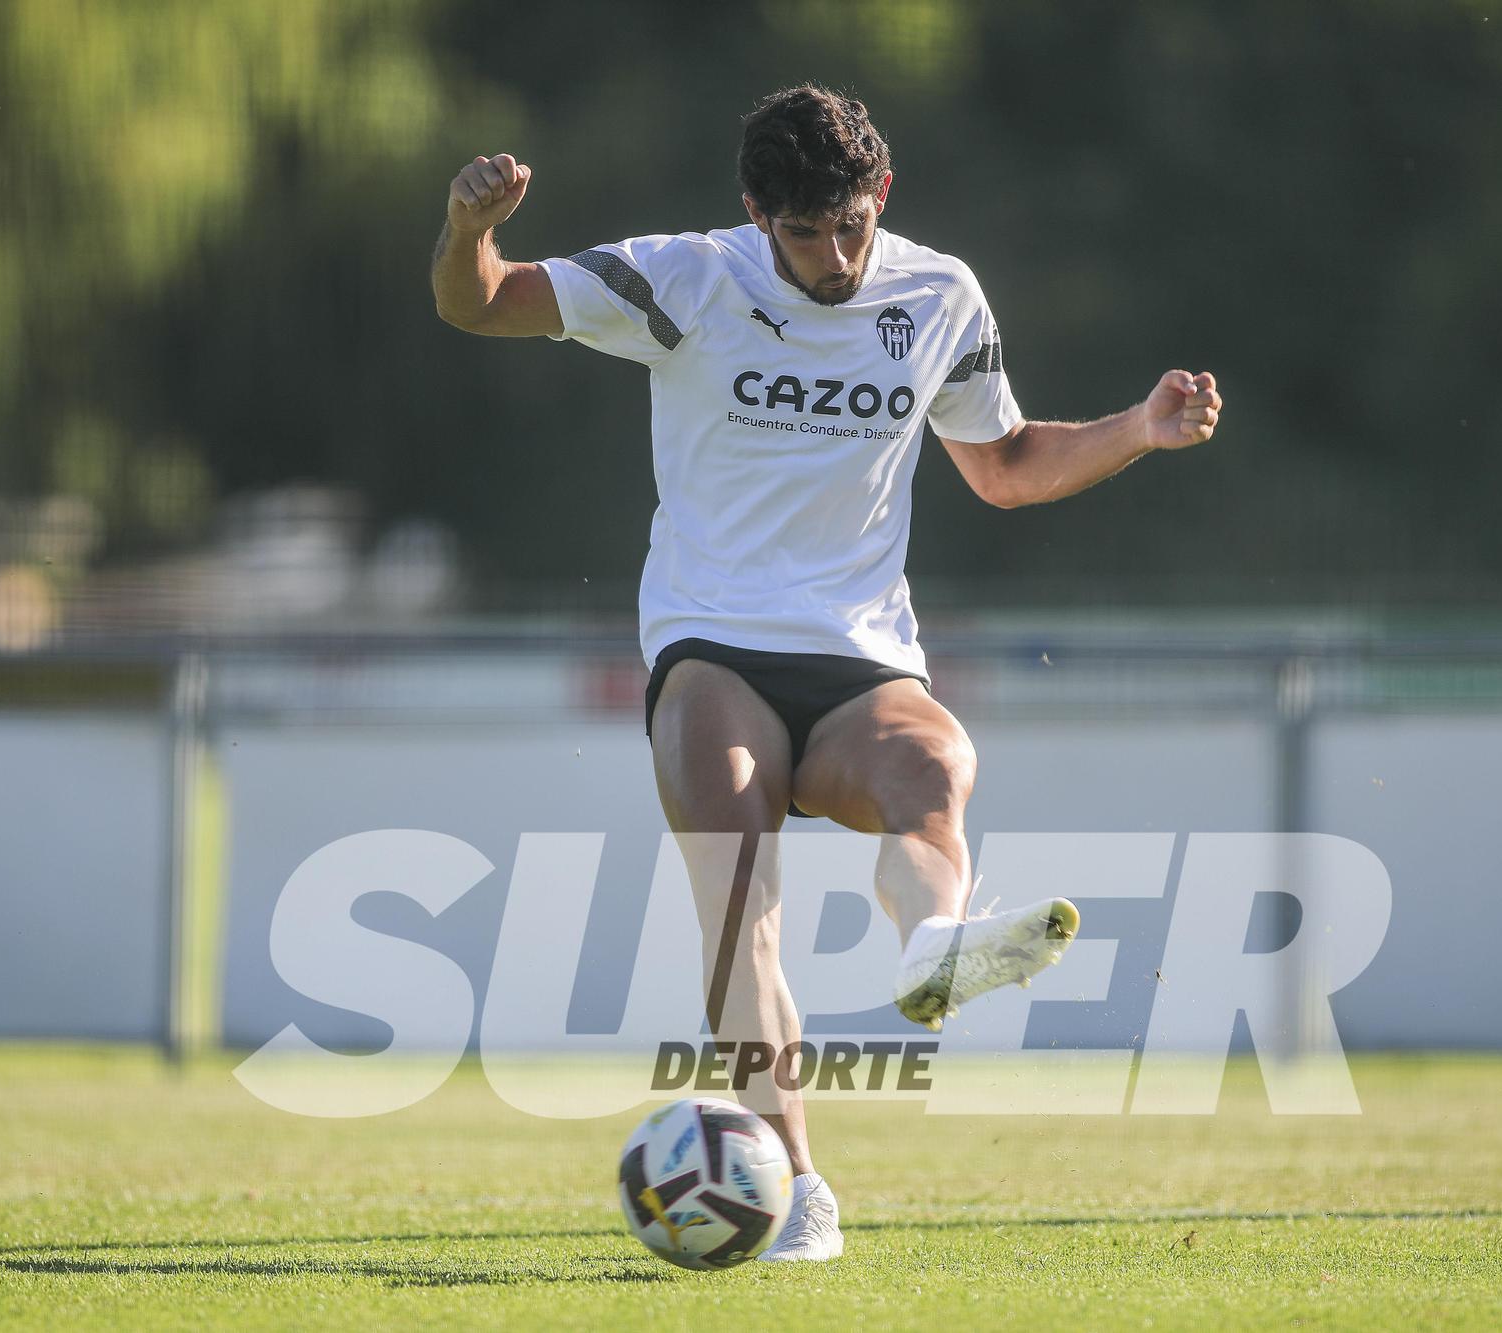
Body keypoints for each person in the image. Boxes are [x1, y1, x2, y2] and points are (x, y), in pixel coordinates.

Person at [432, 84, 1223, 1261]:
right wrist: (465, 230)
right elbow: (481, 303)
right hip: (711, 645)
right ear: (757, 213)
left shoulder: (937, 293)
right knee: (737, 900)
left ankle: (933, 947)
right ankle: (796, 1184)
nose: (834, 255)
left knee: (937, 766)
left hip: (858, 655)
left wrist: (1135, 430)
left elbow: (1002, 466)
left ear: (881, 194)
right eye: (806, 234)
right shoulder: (686, 279)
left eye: (850, 225)